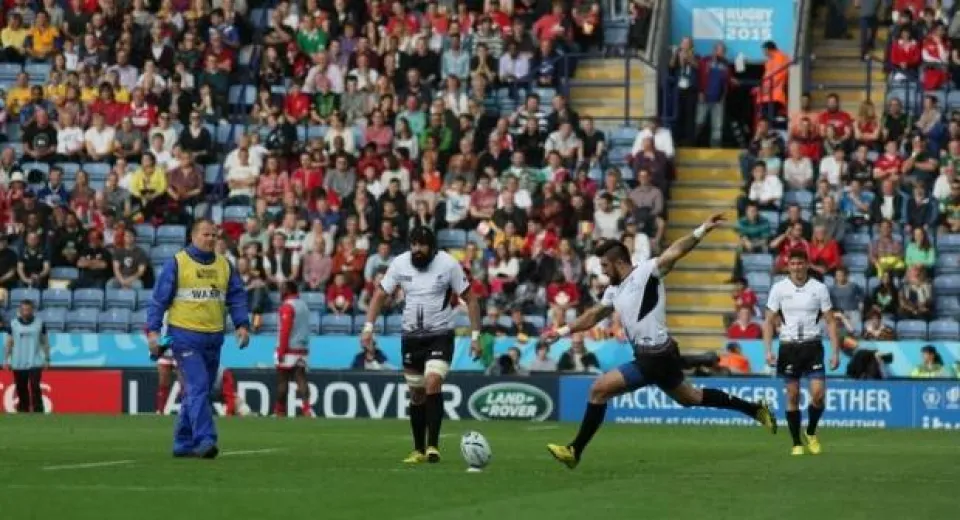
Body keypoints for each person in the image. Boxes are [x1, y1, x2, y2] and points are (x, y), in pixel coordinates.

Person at [542, 214, 777, 469]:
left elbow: (674, 252)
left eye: (605, 266)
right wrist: (563, 330)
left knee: (599, 390)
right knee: (691, 398)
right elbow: (593, 316)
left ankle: (575, 450)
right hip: (657, 354)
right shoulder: (614, 290)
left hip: (655, 355)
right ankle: (754, 410)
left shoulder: (646, 273)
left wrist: (701, 230)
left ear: (619, 262)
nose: (603, 272)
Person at [361, 226, 481, 464]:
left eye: (422, 245)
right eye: (413, 244)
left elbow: (470, 299)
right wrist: (368, 328)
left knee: (432, 382)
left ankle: (433, 446)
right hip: (411, 337)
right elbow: (380, 295)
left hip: (440, 334)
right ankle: (418, 449)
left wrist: (476, 336)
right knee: (416, 393)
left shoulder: (448, 264)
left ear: (432, 247)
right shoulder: (400, 264)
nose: (417, 250)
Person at [146, 219, 251, 459]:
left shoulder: (225, 265)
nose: (211, 239)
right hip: (184, 337)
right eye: (206, 235)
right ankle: (205, 439)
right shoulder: (177, 263)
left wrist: (242, 325)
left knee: (197, 391)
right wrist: (152, 332)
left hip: (214, 338)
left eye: (214, 235)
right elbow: (158, 300)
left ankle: (183, 442)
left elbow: (236, 297)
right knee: (198, 386)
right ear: (193, 237)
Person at [763, 249, 841, 456]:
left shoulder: (819, 288)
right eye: (793, 263)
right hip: (789, 347)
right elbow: (769, 320)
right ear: (788, 266)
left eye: (800, 263)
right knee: (793, 395)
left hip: (813, 346)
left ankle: (811, 431)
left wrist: (835, 352)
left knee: (818, 395)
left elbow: (831, 321)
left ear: (807, 264)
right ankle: (796, 442)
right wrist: (768, 349)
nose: (797, 267)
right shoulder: (779, 288)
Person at [273, 281, 314, 418]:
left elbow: (285, 330)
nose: (280, 291)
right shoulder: (304, 305)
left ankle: (279, 411)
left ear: (288, 289)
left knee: (282, 380)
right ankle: (307, 408)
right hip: (302, 348)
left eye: (283, 288)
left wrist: (281, 351)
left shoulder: (287, 306)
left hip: (288, 348)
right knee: (301, 378)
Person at [2, 299, 48, 413]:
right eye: (23, 309)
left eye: (28, 309)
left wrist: (47, 358)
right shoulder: (13, 324)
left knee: (35, 386)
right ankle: (23, 410)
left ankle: (38, 410)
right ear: (20, 310)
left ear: (33, 310)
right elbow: (9, 342)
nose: (25, 312)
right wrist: (6, 359)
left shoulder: (40, 323)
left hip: (35, 361)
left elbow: (45, 342)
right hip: (18, 361)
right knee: (21, 388)